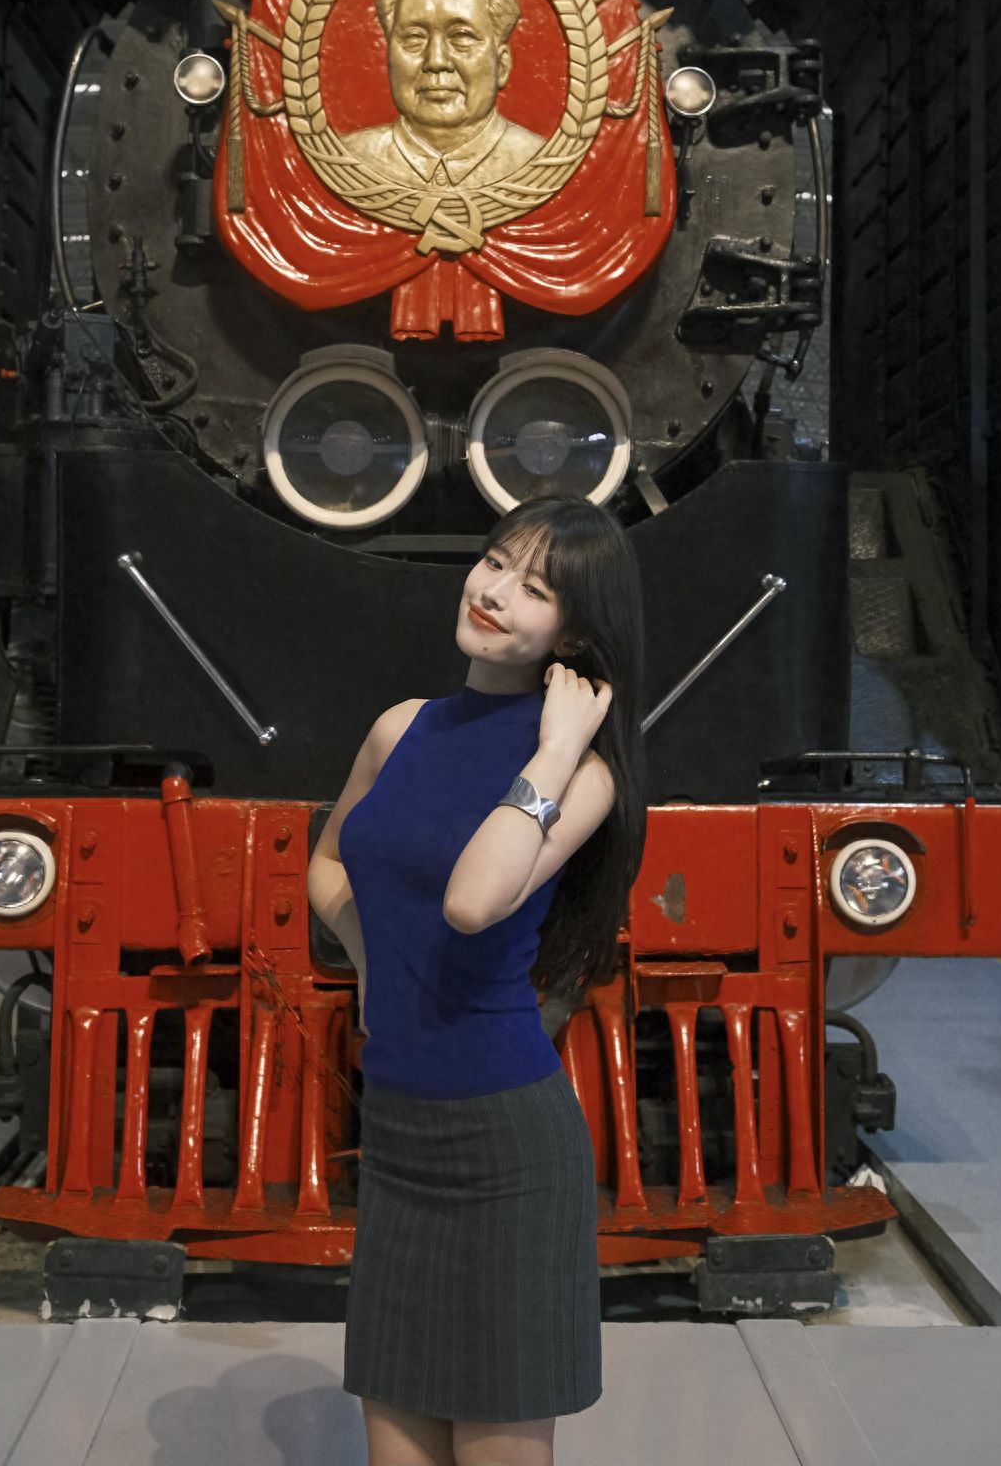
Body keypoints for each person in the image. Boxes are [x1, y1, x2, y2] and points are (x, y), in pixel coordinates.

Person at [309, 495, 647, 1466]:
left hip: (506, 1152)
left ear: (572, 635)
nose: (493, 591)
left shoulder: (584, 777)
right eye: (495, 562)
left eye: (533, 588)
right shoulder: (400, 728)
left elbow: (471, 900)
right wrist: (368, 956)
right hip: (397, 1137)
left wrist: (555, 746)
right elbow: (328, 862)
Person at [341, 0, 546, 195]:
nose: (436, 61)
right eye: (414, 37)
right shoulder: (346, 161)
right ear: (388, 59)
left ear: (501, 65)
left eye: (461, 36)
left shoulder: (541, 163)